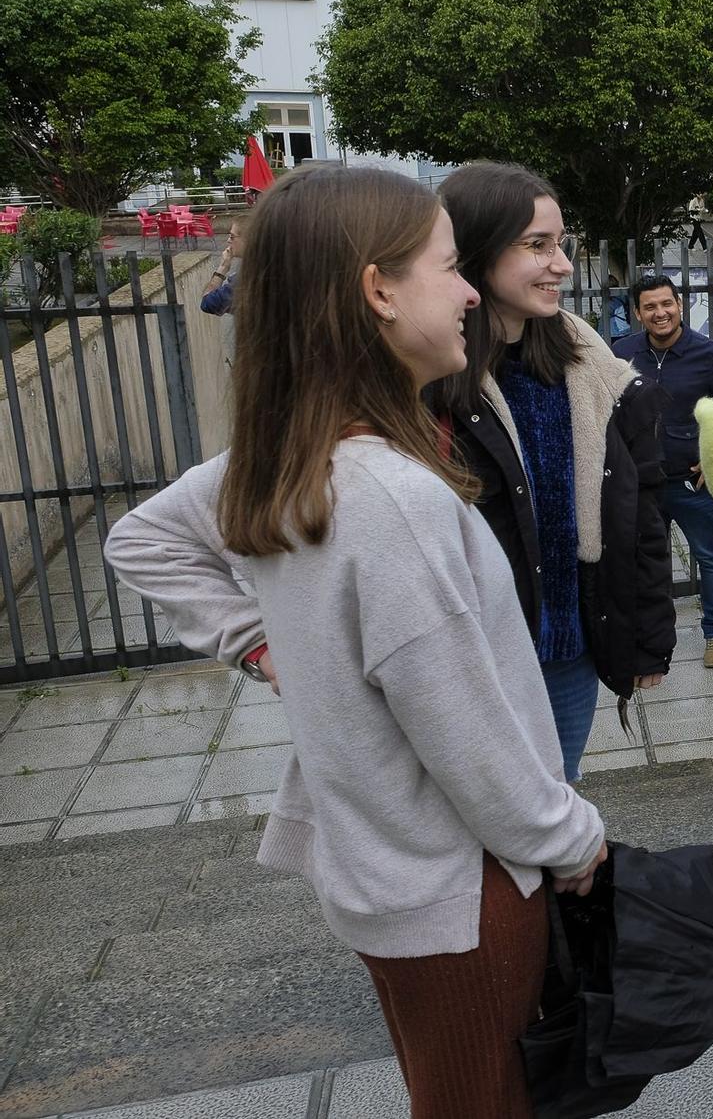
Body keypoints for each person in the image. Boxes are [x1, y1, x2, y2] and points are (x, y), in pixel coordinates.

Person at [103, 166, 607, 1119]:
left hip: (384, 872)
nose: (467, 292)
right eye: (451, 268)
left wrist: (272, 648)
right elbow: (471, 744)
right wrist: (574, 841)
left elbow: (145, 536)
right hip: (463, 892)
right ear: (378, 289)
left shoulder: (299, 451)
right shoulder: (391, 498)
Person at [432, 161, 677, 782]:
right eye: (537, 246)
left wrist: (647, 632)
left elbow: (640, 502)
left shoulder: (582, 362)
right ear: (477, 252)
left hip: (568, 645)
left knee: (556, 795)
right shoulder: (430, 378)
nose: (563, 265)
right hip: (477, 660)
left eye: (561, 244)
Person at [613, 272, 713, 667]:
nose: (660, 313)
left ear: (680, 305)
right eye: (650, 306)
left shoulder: (709, 354)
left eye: (666, 303)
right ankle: (649, 635)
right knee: (643, 559)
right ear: (637, 313)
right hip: (641, 482)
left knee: (710, 555)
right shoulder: (621, 353)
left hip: (691, 481)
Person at [199, 222, 243, 315]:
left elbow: (208, 303)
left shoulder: (244, 281)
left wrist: (223, 267)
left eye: (232, 237)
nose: (228, 241)